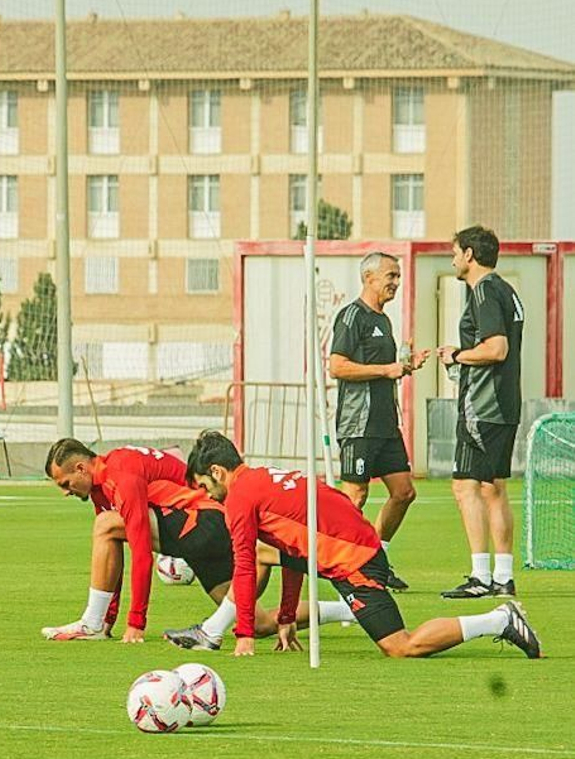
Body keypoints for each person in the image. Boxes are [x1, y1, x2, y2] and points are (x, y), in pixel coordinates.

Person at [185, 429, 540, 660]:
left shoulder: (239, 499)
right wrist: (288, 617)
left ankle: (499, 620)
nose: (207, 496)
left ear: (217, 471)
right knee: (268, 555)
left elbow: (244, 566)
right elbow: (294, 553)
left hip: (355, 559)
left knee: (401, 646)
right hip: (354, 546)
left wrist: (245, 636)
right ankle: (214, 630)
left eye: (203, 486)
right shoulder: (262, 478)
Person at [40, 439, 352, 648]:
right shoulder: (102, 485)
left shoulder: (120, 474)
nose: (66, 492)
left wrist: (135, 623)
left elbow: (140, 550)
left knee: (106, 525)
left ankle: (91, 623)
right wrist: (112, 619)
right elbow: (113, 557)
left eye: (65, 484)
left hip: (204, 523)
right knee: (258, 623)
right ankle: (348, 608)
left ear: (80, 468)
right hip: (201, 532)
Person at [327, 252, 427, 586]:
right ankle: (346, 567)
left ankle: (375, 559)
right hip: (358, 424)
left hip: (385, 424)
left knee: (404, 493)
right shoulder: (351, 316)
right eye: (390, 276)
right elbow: (337, 366)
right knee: (355, 497)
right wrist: (386, 369)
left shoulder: (383, 320)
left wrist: (406, 365)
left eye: (398, 276)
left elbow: (385, 369)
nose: (395, 283)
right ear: (369, 278)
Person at [438, 226, 525, 600]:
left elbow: (496, 348)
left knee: (464, 486)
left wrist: (456, 355)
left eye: (456, 252)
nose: (453, 259)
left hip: (484, 405)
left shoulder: (486, 291)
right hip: (504, 402)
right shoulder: (506, 289)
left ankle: (480, 576)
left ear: (470, 254)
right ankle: (503, 577)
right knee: (493, 488)